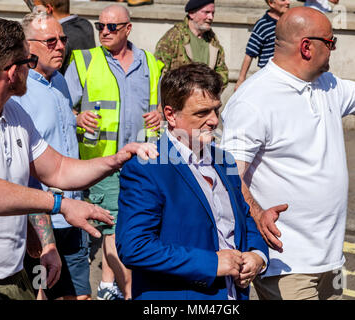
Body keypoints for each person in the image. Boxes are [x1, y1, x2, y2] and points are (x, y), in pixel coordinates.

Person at [220, 7, 355, 300]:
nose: (334, 48)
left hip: (332, 261)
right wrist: (257, 213)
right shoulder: (253, 101)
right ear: (307, 47)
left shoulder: (328, 85)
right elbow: (229, 174)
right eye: (331, 42)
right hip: (286, 265)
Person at [0, 17, 158, 300]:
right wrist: (59, 204)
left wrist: (116, 159)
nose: (31, 68)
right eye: (27, 60)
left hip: (16, 274)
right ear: (11, 71)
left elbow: (57, 168)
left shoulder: (15, 114)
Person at [115, 63, 269, 300]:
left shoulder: (223, 159)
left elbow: (244, 217)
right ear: (170, 115)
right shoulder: (147, 167)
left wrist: (257, 255)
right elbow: (134, 247)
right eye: (201, 113)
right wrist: (211, 263)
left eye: (216, 110)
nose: (214, 121)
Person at [65, 4, 164, 300]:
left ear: (128, 29)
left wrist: (159, 113)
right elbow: (61, 106)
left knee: (133, 223)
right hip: (102, 162)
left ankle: (108, 285)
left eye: (111, 27)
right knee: (114, 227)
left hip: (141, 161)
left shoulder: (150, 62)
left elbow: (159, 106)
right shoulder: (85, 61)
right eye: (100, 26)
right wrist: (77, 118)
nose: (104, 32)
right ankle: (130, 290)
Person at [11, 11, 91, 300]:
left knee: (79, 296)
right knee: (41, 295)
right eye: (51, 41)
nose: (60, 46)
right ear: (28, 46)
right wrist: (44, 242)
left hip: (73, 217)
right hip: (40, 223)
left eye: (63, 39)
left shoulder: (60, 81)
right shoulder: (19, 91)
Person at [0, 174, 115, 300]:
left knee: (80, 294)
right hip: (30, 239)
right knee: (43, 292)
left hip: (62, 230)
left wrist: (48, 244)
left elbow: (33, 183)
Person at [154, 0, 228, 90]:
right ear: (192, 13)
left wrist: (212, 91)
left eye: (213, 13)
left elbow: (222, 72)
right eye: (206, 12)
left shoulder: (213, 41)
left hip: (206, 100)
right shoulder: (174, 37)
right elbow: (158, 73)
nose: (211, 17)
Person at [234, 0, 290, 91]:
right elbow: (250, 53)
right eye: (283, 0)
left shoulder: (291, 21)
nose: (288, 2)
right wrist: (241, 79)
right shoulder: (262, 25)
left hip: (289, 76)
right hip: (271, 78)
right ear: (271, 3)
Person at [32, 0, 96, 74]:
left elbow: (49, 73)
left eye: (37, 9)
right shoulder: (86, 24)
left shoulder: (57, 35)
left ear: (48, 9)